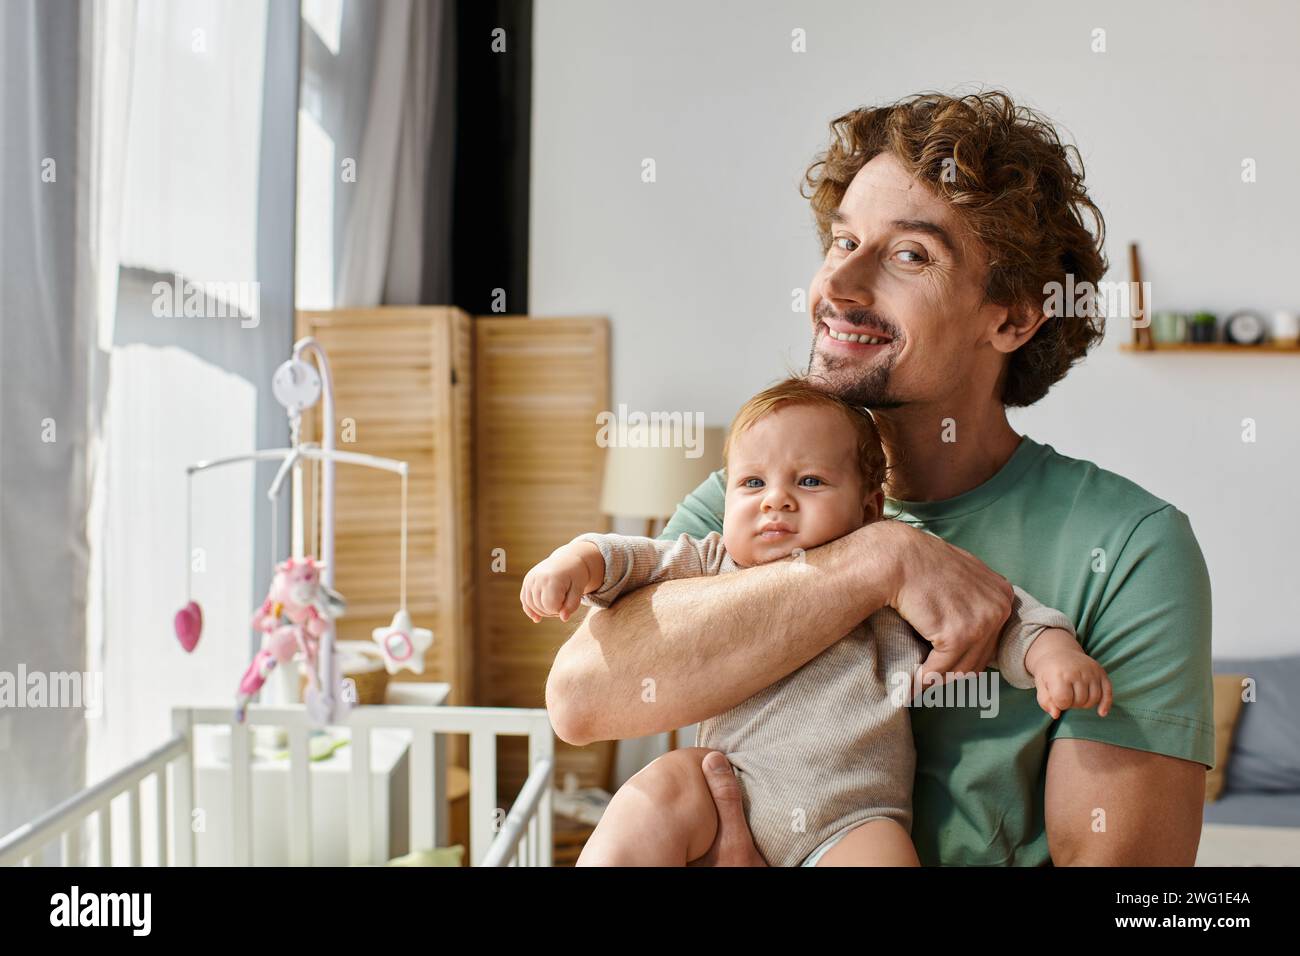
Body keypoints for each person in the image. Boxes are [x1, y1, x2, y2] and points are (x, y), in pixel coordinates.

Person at [545, 90, 1214, 866]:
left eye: (908, 256)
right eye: (842, 242)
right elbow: (583, 699)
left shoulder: (1129, 549)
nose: (840, 286)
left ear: (1013, 317)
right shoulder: (758, 500)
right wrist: (879, 559)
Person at [524, 378, 1110, 866]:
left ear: (869, 507)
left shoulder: (904, 581)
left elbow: (996, 612)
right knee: (653, 793)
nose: (775, 500)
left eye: (809, 481)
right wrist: (577, 561)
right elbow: (633, 559)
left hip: (850, 818)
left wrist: (1052, 653)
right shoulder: (710, 561)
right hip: (724, 783)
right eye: (752, 483)